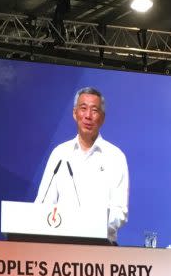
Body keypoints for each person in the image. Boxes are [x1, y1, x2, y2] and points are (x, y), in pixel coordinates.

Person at [34, 87, 129, 243]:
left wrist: (90, 226)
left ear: (103, 118)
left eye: (94, 110)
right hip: (60, 246)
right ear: (74, 113)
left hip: (101, 247)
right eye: (83, 109)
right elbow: (43, 204)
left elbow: (120, 212)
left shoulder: (115, 157)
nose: (88, 116)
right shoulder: (60, 154)